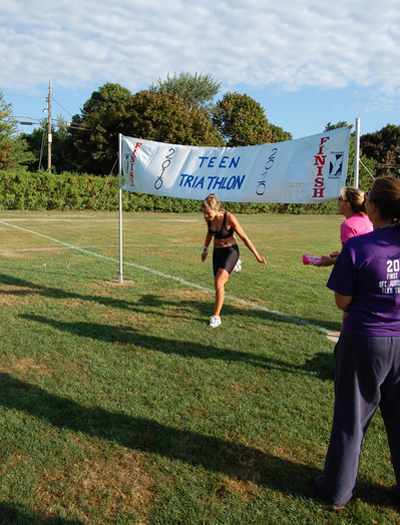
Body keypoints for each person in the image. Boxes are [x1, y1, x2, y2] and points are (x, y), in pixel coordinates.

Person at [316, 176, 400, 510]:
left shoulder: (358, 247)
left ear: (372, 206)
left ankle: (337, 490)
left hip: (365, 341)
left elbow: (342, 300)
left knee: (351, 419)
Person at [201, 194, 266, 328]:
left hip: (231, 251)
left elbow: (244, 237)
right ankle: (235, 266)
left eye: (208, 213)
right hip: (217, 252)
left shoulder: (229, 218)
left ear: (216, 208)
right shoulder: (209, 219)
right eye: (204, 213)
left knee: (219, 281)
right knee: (217, 284)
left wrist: (257, 255)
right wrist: (205, 249)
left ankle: (216, 317)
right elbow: (209, 233)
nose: (206, 216)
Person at [316, 186, 373, 267]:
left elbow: (350, 258)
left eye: (340, 199)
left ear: (346, 204)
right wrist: (342, 254)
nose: (338, 203)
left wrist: (330, 261)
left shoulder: (348, 225)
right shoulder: (369, 218)